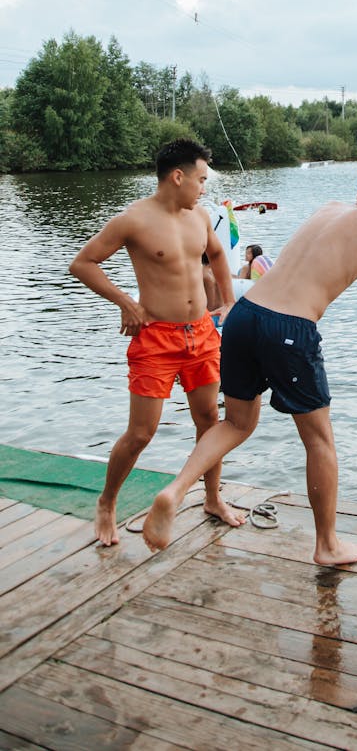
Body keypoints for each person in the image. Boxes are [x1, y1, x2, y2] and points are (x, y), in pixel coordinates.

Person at [142, 164, 357, 564]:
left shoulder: (328, 208)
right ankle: (327, 545)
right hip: (288, 327)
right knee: (319, 441)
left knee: (235, 423)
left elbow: (319, 258)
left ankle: (176, 490)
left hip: (245, 316)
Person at [69, 138, 244, 546]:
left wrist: (229, 302)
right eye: (200, 179)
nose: (204, 188)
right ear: (177, 176)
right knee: (141, 433)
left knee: (210, 423)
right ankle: (107, 503)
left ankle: (212, 498)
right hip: (156, 339)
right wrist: (126, 302)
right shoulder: (133, 220)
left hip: (201, 333)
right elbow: (82, 263)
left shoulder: (200, 216)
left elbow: (217, 255)